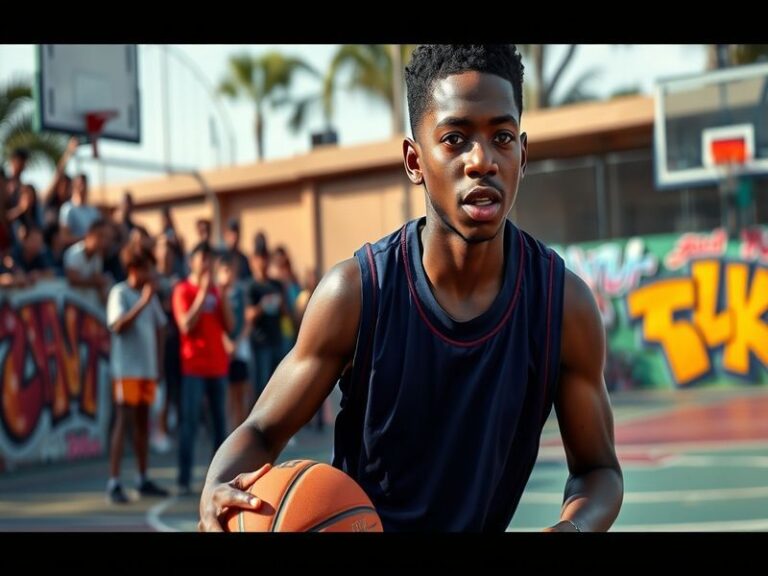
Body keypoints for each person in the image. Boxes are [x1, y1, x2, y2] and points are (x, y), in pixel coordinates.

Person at [199, 44, 623, 532]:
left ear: (522, 156)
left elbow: (599, 471)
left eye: (502, 137)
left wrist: (570, 529)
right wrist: (218, 487)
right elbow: (260, 430)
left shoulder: (561, 305)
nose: (482, 160)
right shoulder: (357, 293)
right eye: (455, 139)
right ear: (414, 159)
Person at [105, 245, 169, 503]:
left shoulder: (150, 296)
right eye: (146, 267)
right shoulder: (119, 293)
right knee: (124, 420)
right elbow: (118, 325)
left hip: (146, 369)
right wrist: (143, 302)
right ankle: (114, 481)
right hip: (126, 369)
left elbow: (162, 327)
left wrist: (160, 363)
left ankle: (142, 478)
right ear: (134, 269)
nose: (151, 273)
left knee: (144, 423)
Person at [172, 241, 234, 494]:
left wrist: (222, 295)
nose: (206, 263)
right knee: (189, 424)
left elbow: (230, 326)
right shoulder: (183, 290)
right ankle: (184, 479)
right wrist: (201, 294)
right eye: (202, 258)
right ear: (192, 262)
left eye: (209, 259)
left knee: (220, 426)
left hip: (217, 367)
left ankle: (219, 478)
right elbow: (185, 325)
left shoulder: (216, 293)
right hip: (194, 368)